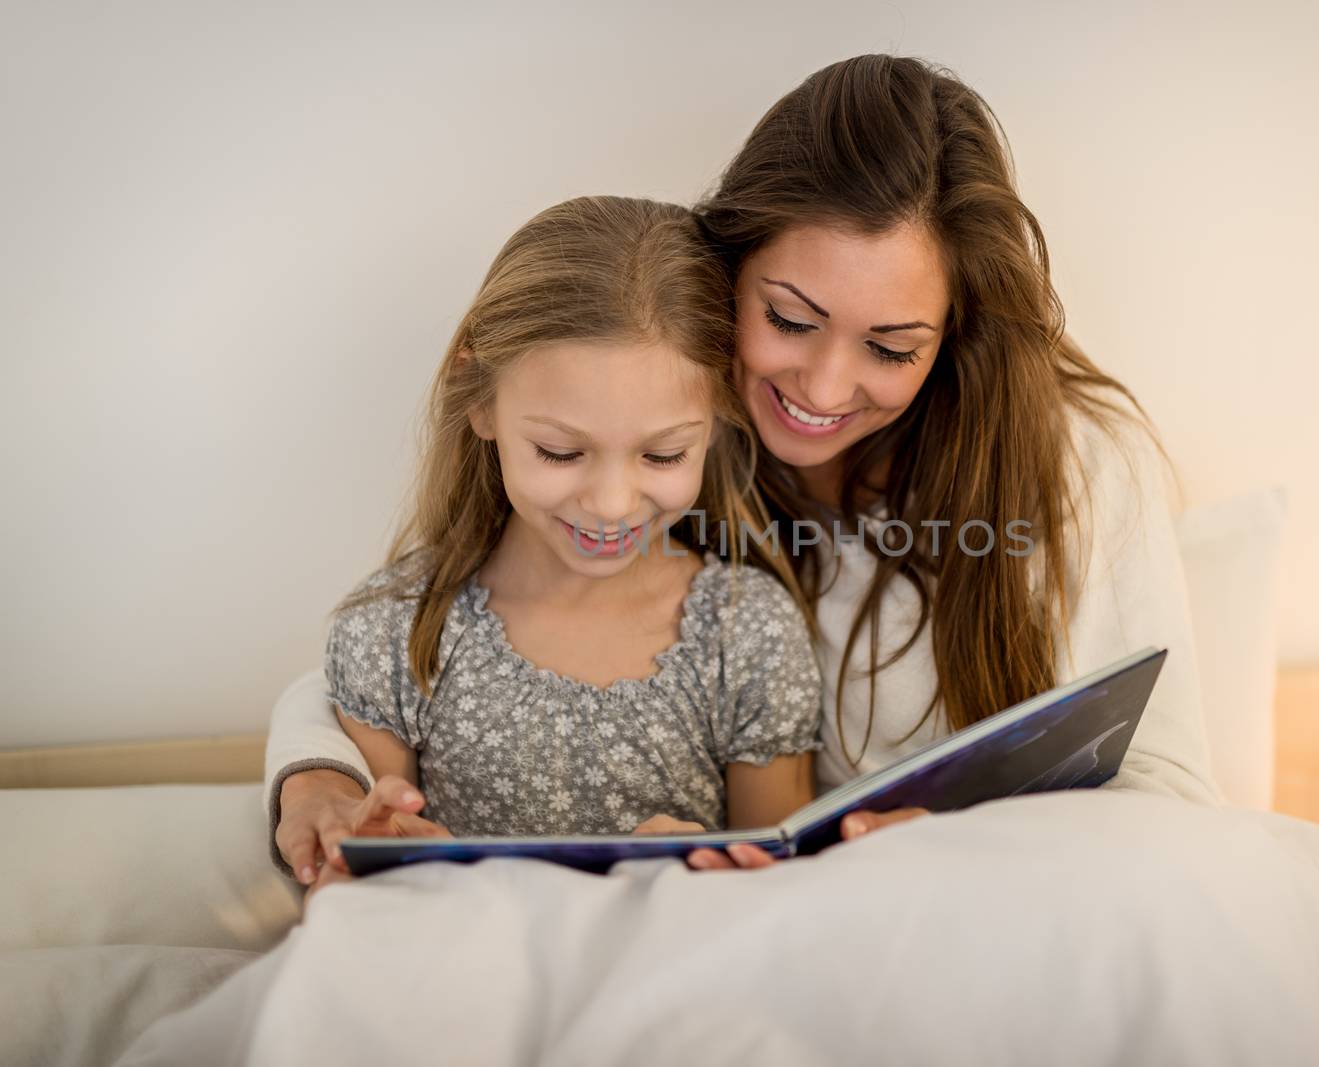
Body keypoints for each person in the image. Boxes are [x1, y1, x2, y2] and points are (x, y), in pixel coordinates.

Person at [267, 54, 1219, 889]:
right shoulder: (671, 409)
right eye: (793, 321)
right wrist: (320, 771)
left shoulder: (1076, 464)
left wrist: (977, 852)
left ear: (952, 337)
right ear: (726, 275)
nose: (823, 384)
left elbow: (1169, 793)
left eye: (891, 348)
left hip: (990, 901)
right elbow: (402, 645)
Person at [273, 194, 823, 887]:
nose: (612, 503)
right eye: (561, 452)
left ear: (714, 422)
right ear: (479, 399)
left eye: (662, 456)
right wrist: (377, 861)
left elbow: (786, 895)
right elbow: (362, 897)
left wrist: (711, 874)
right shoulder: (393, 632)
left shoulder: (747, 632)